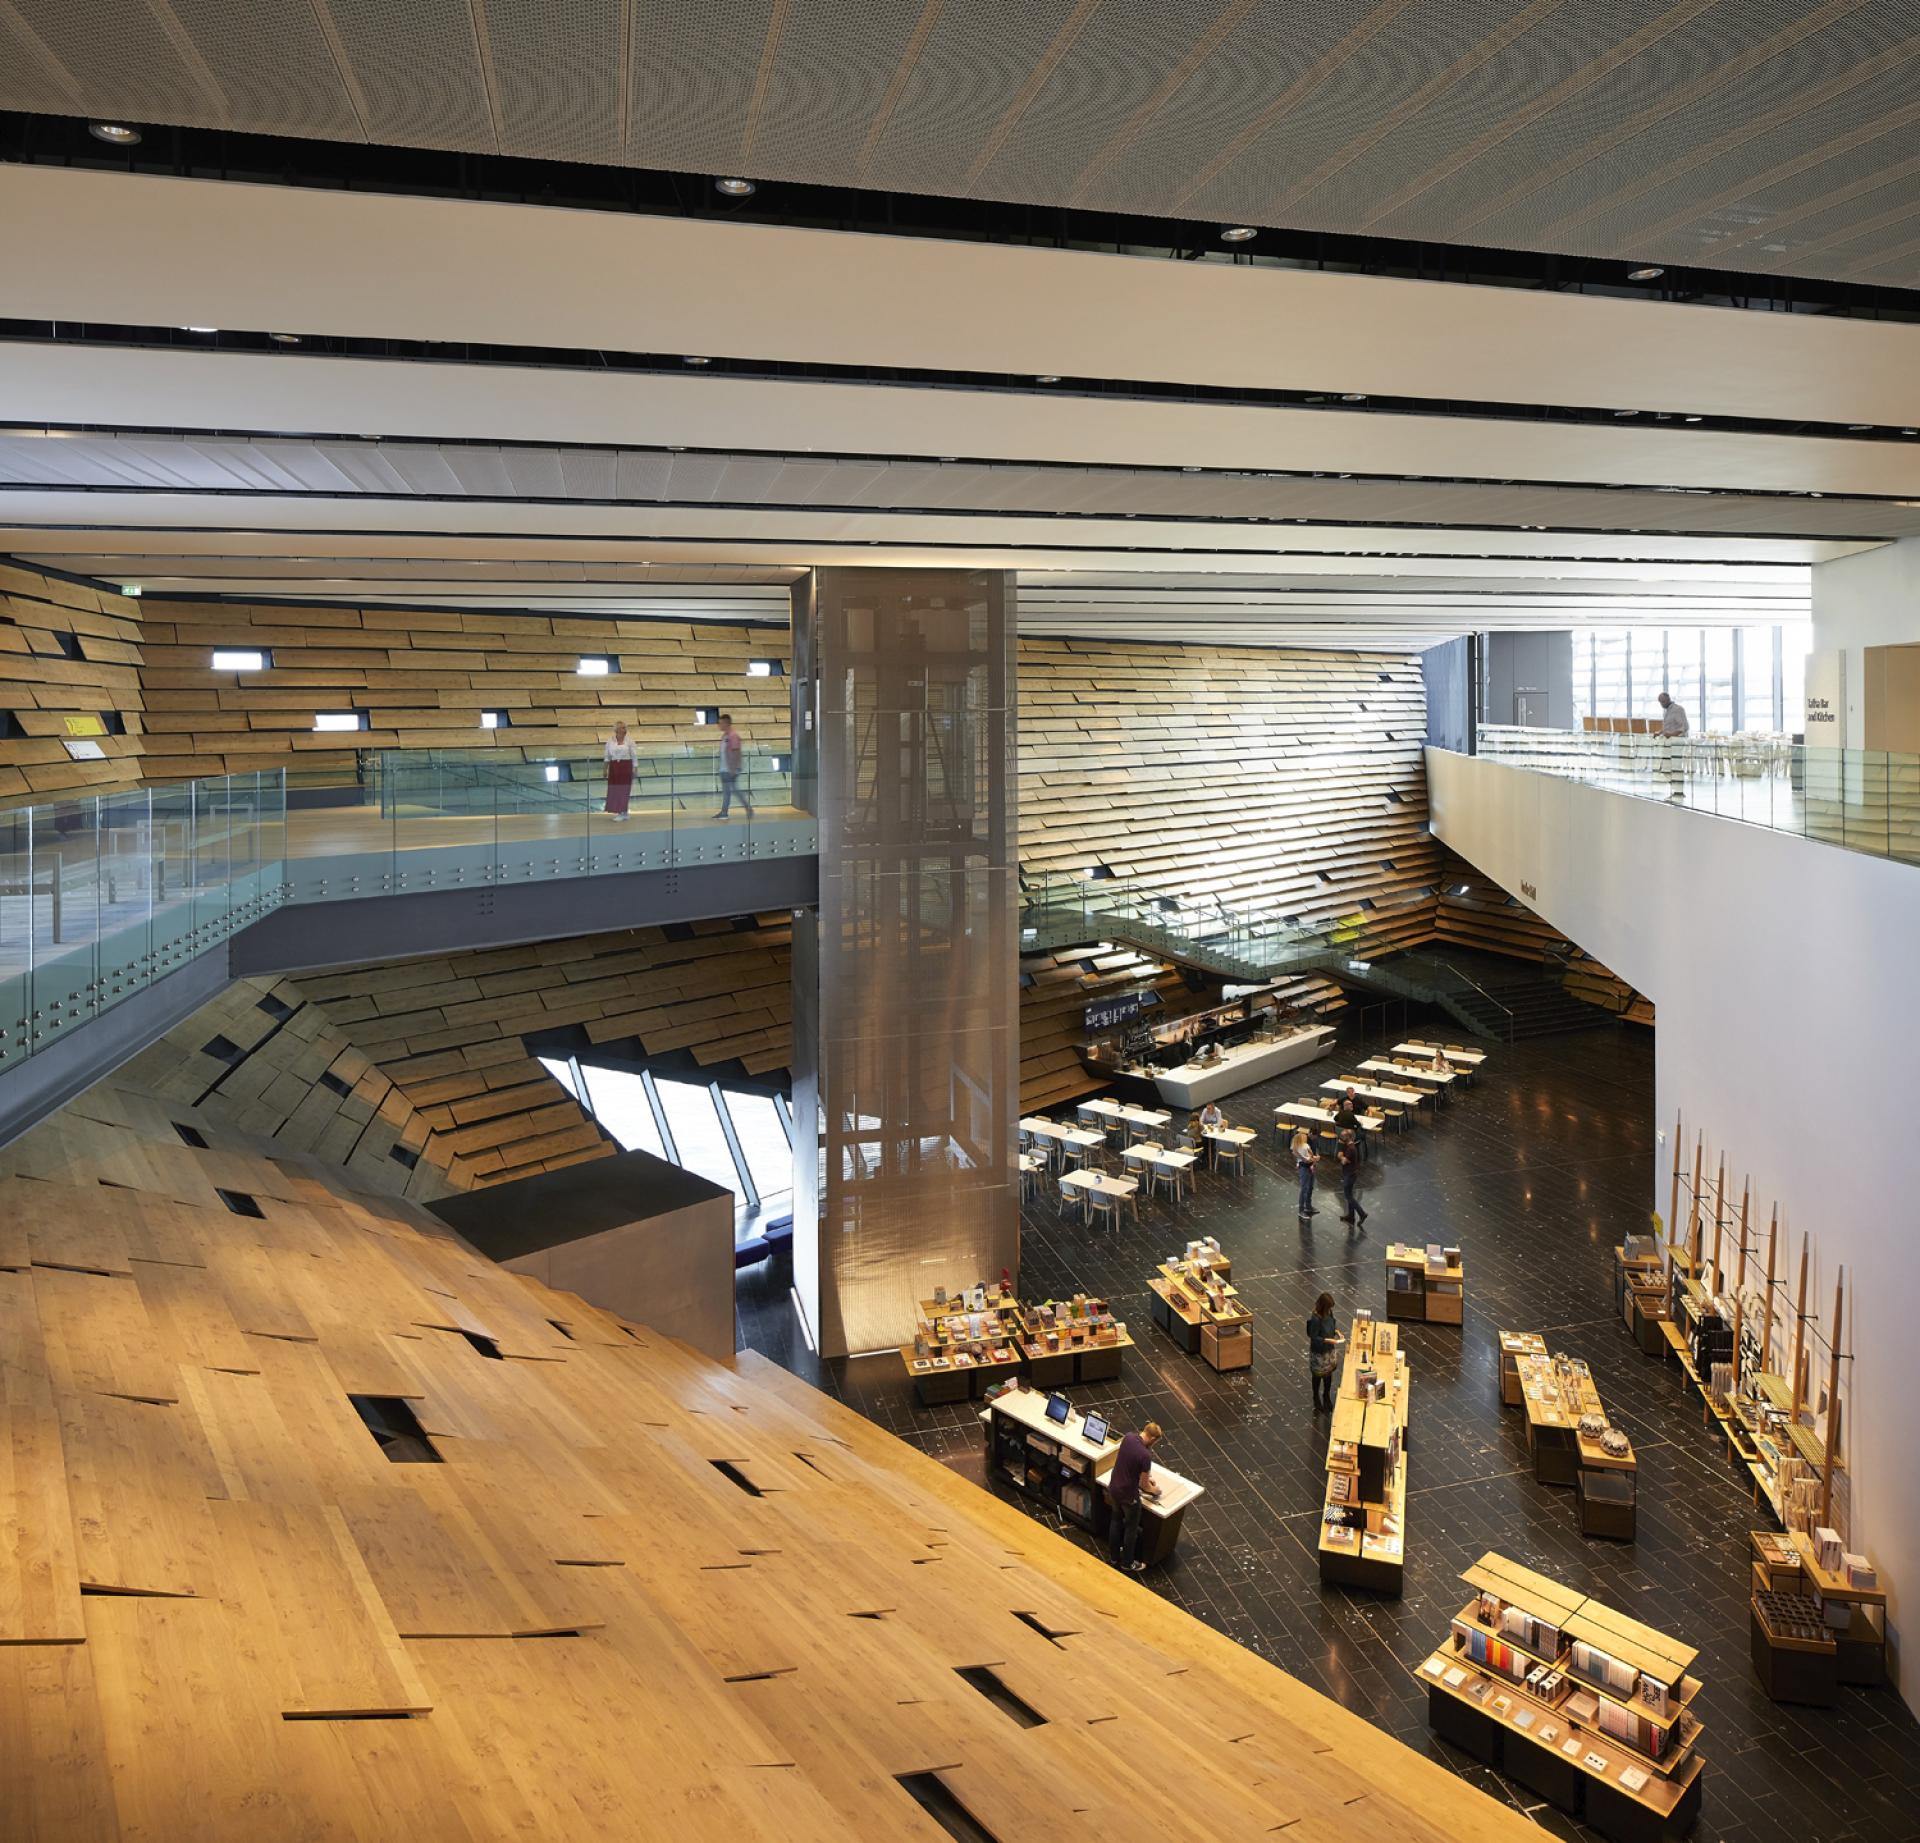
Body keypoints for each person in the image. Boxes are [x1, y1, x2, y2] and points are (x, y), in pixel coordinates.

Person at [1106, 1421, 1163, 1572]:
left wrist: (1145, 1474)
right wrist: (1155, 1490)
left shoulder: (1128, 1437)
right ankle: (1127, 1563)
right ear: (1152, 1439)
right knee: (1131, 1529)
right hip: (1128, 1495)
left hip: (1114, 1488)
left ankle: (1113, 1558)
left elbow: (1129, 1461)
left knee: (1116, 1521)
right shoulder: (1145, 1455)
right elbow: (1144, 1486)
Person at [1307, 1293, 1344, 1412]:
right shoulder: (1316, 1318)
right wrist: (1328, 1340)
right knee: (1317, 1375)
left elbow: (1332, 1326)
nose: (1330, 1310)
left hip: (1329, 1350)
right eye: (1328, 1307)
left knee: (1328, 1374)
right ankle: (1316, 1396)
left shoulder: (1329, 1313)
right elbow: (1314, 1337)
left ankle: (1326, 1395)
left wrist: (1337, 1332)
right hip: (1319, 1352)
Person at [714, 712, 753, 818]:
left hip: (730, 769)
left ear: (727, 723)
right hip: (724, 768)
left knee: (733, 790)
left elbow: (736, 752)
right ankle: (724, 812)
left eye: (721, 723)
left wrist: (734, 768)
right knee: (728, 791)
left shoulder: (733, 736)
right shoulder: (724, 736)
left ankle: (747, 808)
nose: (719, 725)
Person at [1657, 691, 1689, 801]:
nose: (1662, 704)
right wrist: (1660, 732)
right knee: (1665, 768)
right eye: (1660, 702)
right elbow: (1668, 727)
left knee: (1675, 767)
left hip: (1676, 743)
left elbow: (1684, 727)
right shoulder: (1666, 712)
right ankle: (1675, 789)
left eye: (1663, 701)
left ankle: (1679, 792)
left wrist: (1671, 734)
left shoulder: (1678, 709)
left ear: (1668, 699)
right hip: (1668, 743)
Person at [603, 721, 635, 819]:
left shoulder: (629, 741)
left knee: (624, 789)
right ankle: (620, 811)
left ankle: (623, 812)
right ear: (616, 730)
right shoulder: (610, 741)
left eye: (625, 728)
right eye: (622, 728)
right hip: (614, 767)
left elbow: (634, 756)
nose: (624, 730)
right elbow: (607, 756)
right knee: (615, 789)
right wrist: (605, 769)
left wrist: (635, 768)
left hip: (626, 765)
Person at [1337, 1130, 1368, 1228]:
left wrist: (1340, 1156)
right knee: (1349, 1195)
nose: (1341, 1139)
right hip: (1350, 1173)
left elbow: (1344, 1161)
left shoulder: (1350, 1149)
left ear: (1347, 1138)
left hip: (1349, 1175)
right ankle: (1351, 1216)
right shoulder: (1350, 1147)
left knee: (1348, 1196)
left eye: (1342, 1138)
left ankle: (1362, 1213)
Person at [1291, 1127, 1318, 1216]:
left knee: (1310, 1187)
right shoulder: (1301, 1138)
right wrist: (1302, 1159)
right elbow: (1294, 1151)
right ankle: (1301, 1210)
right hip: (1304, 1167)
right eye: (1313, 1136)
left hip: (1310, 1166)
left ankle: (1308, 1206)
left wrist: (1314, 1160)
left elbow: (1313, 1153)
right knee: (1304, 1189)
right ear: (1310, 1133)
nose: (1314, 1139)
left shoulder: (1310, 1142)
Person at [1332, 1094, 1363, 1162]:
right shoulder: (1351, 1115)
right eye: (1351, 1105)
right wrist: (1358, 1124)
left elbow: (1335, 1119)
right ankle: (1360, 1156)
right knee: (1362, 1136)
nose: (1352, 1106)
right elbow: (1357, 1125)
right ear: (1346, 1106)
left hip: (1340, 1135)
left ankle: (1336, 1157)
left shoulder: (1340, 1112)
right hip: (1350, 1137)